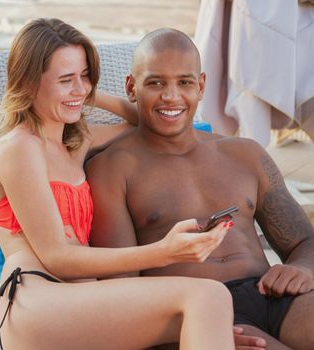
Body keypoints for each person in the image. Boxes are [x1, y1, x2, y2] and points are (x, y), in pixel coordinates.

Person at [0, 17, 240, 350]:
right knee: (207, 297)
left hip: (85, 300)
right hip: (38, 297)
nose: (80, 88)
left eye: (85, 75)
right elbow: (56, 257)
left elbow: (147, 119)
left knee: (212, 312)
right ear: (28, 83)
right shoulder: (19, 148)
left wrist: (83, 94)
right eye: (65, 79)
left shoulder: (74, 144)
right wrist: (162, 252)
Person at [87, 27, 314, 350]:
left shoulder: (246, 154)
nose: (171, 96)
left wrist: (303, 268)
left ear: (201, 85)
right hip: (196, 314)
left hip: (274, 296)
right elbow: (123, 289)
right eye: (155, 82)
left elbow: (304, 241)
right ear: (131, 87)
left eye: (184, 82)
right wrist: (193, 334)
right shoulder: (112, 169)